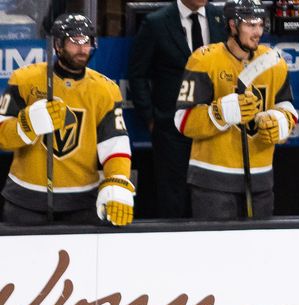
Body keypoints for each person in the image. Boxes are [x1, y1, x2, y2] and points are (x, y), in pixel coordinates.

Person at [0, 13, 134, 227]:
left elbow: (114, 144)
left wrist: (117, 180)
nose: (82, 48)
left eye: (86, 41)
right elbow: (2, 137)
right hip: (25, 198)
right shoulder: (24, 80)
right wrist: (28, 124)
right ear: (58, 45)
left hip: (81, 202)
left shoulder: (106, 90)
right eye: (74, 41)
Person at [174, 0, 299, 220]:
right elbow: (182, 119)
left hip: (261, 179)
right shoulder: (204, 60)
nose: (257, 32)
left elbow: (286, 106)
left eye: (260, 24)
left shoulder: (273, 61)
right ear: (232, 25)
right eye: (251, 25)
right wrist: (221, 112)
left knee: (258, 253)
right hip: (212, 181)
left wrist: (280, 122)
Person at [128, 0, 224, 219]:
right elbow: (137, 74)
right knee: (173, 199)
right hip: (171, 129)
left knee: (214, 197)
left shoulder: (221, 18)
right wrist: (151, 119)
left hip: (215, 126)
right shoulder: (156, 23)